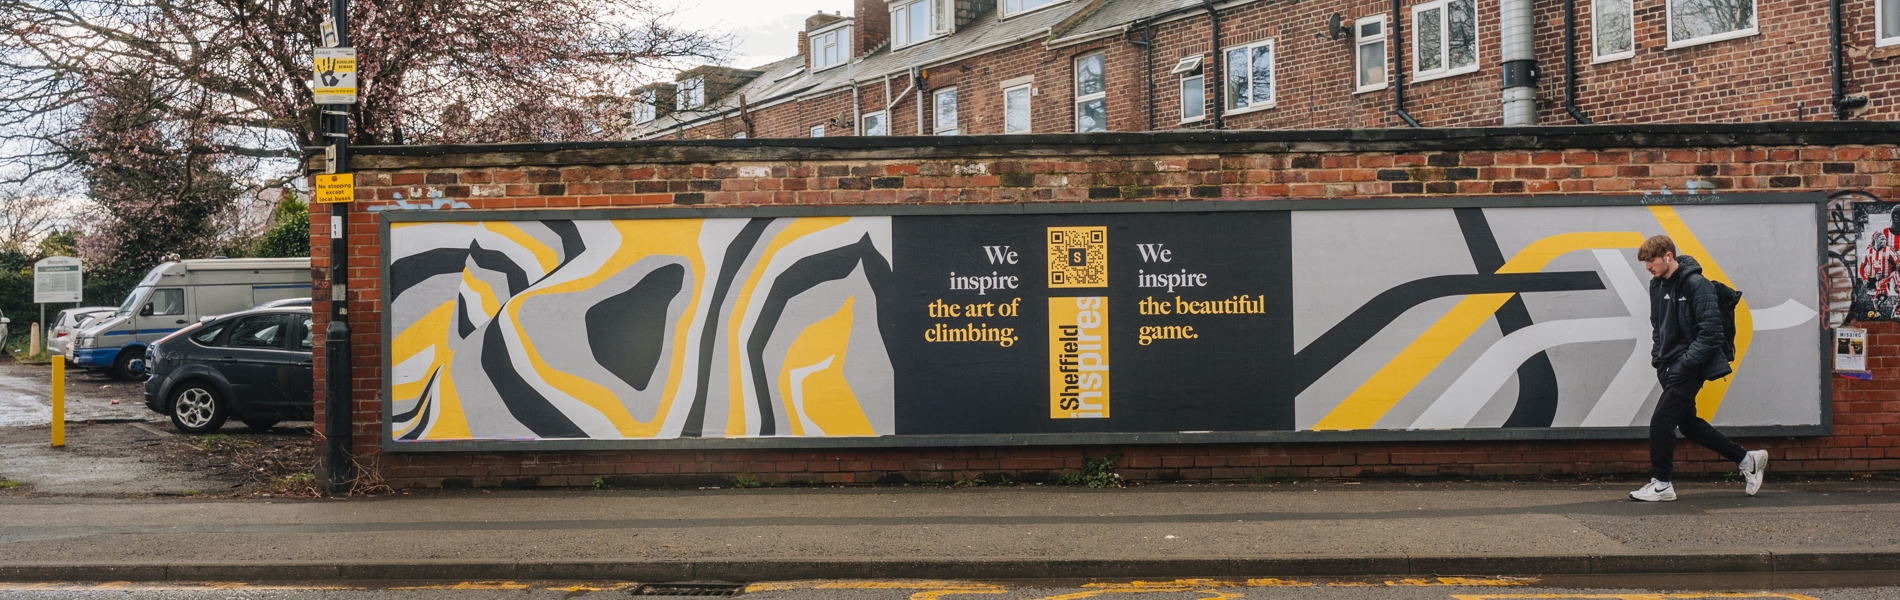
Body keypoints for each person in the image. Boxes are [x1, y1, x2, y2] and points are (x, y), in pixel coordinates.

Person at [1631, 235, 1767, 502]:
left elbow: (1711, 334)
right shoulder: (1656, 286)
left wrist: (1685, 364)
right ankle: (1747, 459)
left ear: (1668, 256)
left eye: (1651, 260)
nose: (1648, 267)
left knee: (1661, 420)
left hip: (1689, 365)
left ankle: (1662, 483)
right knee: (1688, 424)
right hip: (1668, 365)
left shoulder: (1697, 284)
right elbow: (1657, 325)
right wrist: (1659, 357)